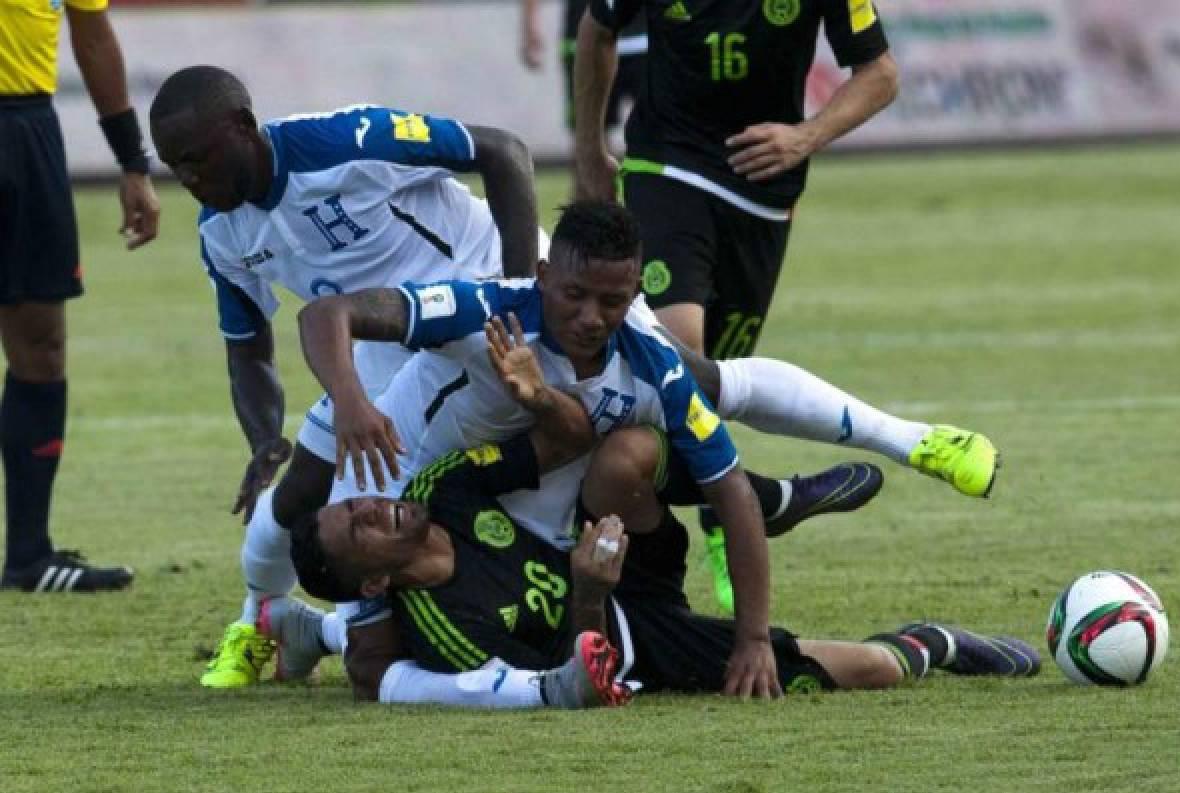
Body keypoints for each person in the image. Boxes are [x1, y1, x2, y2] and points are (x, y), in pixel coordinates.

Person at [298, 200, 881, 698]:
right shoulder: (484, 310)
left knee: (630, 452)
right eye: (574, 295)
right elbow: (329, 312)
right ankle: (304, 626)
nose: (591, 318)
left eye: (613, 301)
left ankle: (786, 496)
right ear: (544, 274)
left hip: (564, 527)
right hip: (430, 490)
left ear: (636, 292)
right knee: (378, 660)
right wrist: (350, 402)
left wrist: (753, 638)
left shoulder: (655, 365)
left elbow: (719, 487)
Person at [571, 1, 994, 610]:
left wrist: (805, 136)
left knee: (716, 388)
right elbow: (597, 26)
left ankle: (723, 516)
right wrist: (589, 147)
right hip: (667, 167)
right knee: (677, 360)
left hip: (764, 195)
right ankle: (761, 500)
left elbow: (881, 74)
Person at [148, 64, 540, 686]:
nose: (189, 179)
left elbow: (502, 151)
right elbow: (248, 347)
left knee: (590, 434)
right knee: (307, 502)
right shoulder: (221, 233)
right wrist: (263, 438)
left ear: (244, 128)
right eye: (175, 167)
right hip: (382, 343)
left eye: (197, 158)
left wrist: (520, 298)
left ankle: (357, 650)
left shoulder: (344, 142)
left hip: (485, 295)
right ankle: (261, 625)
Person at [286, 420, 1040, 706]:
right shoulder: (447, 633)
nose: (372, 506)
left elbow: (564, 439)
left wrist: (537, 394)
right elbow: (579, 678)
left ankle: (743, 502)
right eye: (358, 527)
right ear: (374, 581)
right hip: (632, 638)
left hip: (614, 564)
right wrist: (586, 592)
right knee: (869, 670)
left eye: (357, 501)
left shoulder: (437, 487)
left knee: (626, 452)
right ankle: (934, 642)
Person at [0, 0, 160, 592]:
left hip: (24, 131)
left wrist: (132, 164)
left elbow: (93, 37)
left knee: (41, 346)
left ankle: (29, 557)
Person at [519, 0, 646, 198]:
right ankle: (588, 221)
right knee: (588, 142)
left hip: (645, 36)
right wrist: (530, 24)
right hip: (584, 33)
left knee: (658, 133)